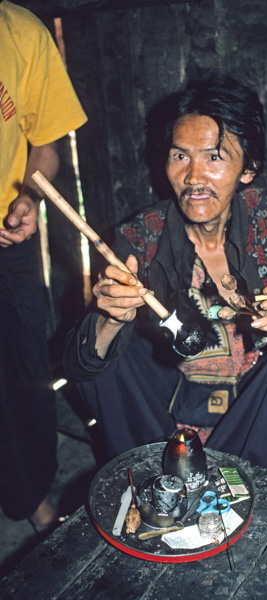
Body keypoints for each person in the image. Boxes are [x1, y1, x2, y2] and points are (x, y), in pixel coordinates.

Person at [63, 70, 267, 474]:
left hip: (250, 409)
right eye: (180, 156)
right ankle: (150, 477)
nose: (193, 176)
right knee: (102, 357)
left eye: (213, 157)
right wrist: (108, 318)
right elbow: (77, 369)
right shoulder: (140, 238)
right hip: (164, 413)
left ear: (248, 168)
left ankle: (235, 479)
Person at [0, 1, 87, 528]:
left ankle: (30, 497)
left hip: (7, 237)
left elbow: (45, 150)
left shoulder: (20, 32)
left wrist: (28, 198)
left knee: (24, 371)